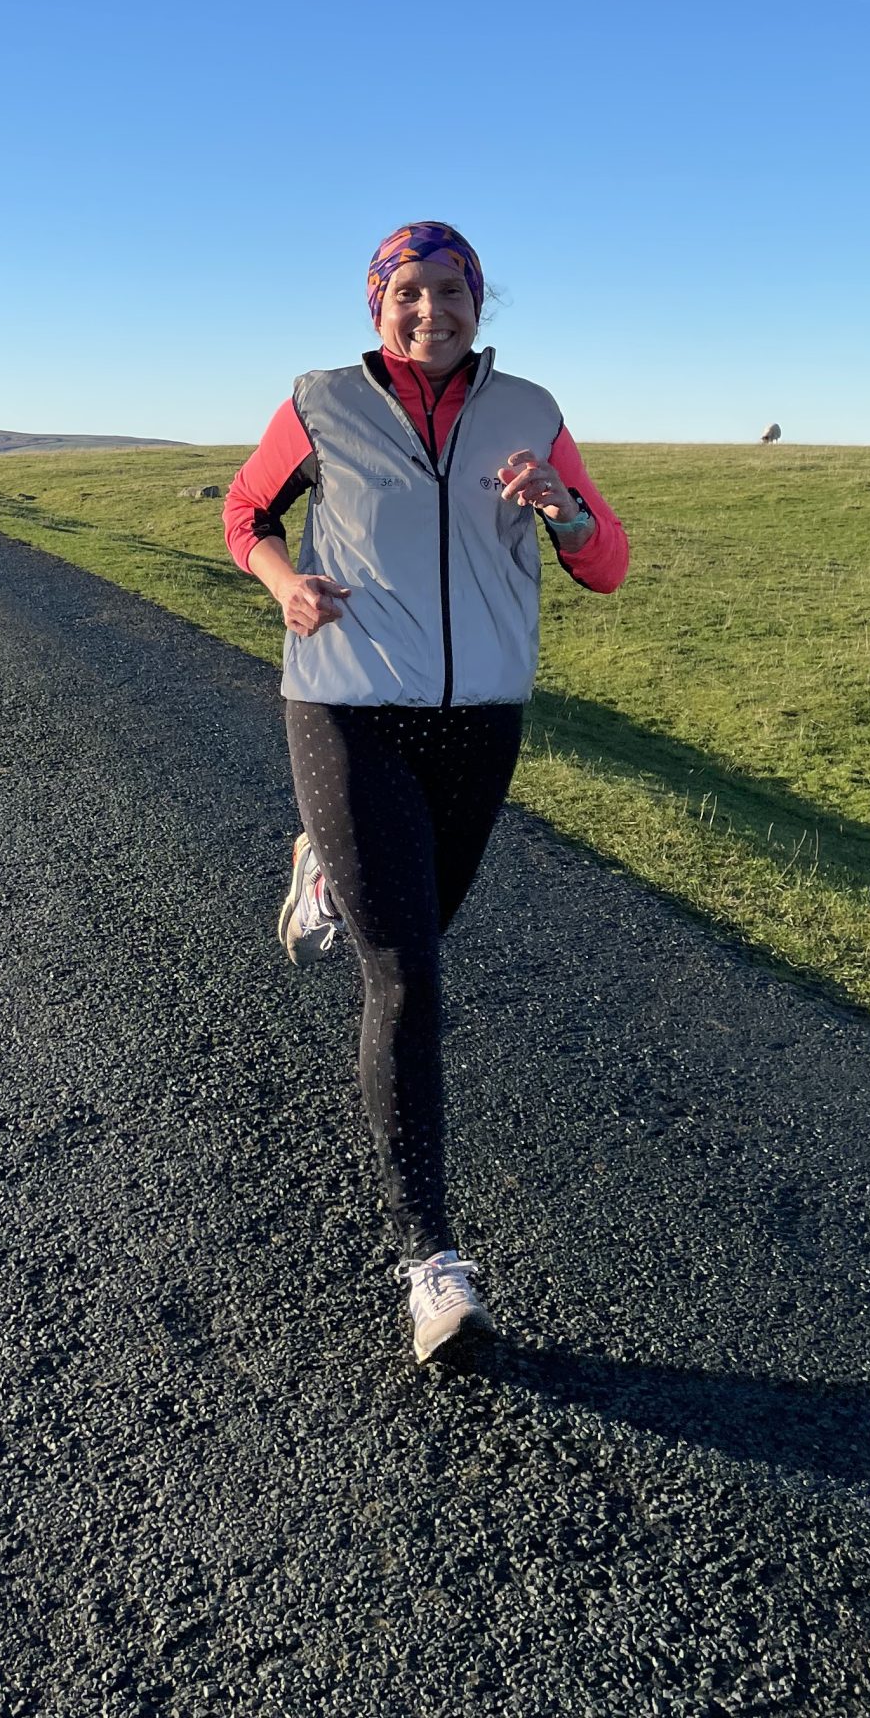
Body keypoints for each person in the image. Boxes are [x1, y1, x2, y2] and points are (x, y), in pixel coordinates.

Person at [223, 220, 629, 1364]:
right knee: (407, 973)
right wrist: (281, 581)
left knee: (415, 938)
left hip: (480, 724)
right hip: (346, 705)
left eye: (450, 292)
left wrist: (563, 508)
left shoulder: (530, 410)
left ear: (477, 302)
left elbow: (606, 562)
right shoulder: (319, 403)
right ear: (376, 304)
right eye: (408, 292)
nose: (430, 312)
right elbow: (244, 513)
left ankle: (327, 865)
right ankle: (432, 1262)